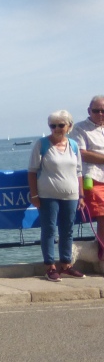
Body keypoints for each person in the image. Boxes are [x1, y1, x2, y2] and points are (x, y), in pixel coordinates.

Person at [28, 110, 84, 281]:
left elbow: (79, 171)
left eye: (61, 125)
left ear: (69, 126)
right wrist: (35, 196)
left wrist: (81, 195)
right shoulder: (42, 144)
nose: (57, 129)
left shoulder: (73, 145)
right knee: (49, 230)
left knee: (67, 230)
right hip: (48, 195)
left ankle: (66, 264)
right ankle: (50, 266)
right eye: (53, 126)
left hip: (71, 195)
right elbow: (32, 171)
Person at [70, 96, 104, 258]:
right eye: (96, 111)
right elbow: (81, 154)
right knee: (103, 215)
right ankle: (102, 253)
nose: (100, 114)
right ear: (89, 111)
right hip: (94, 178)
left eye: (103, 111)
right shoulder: (80, 128)